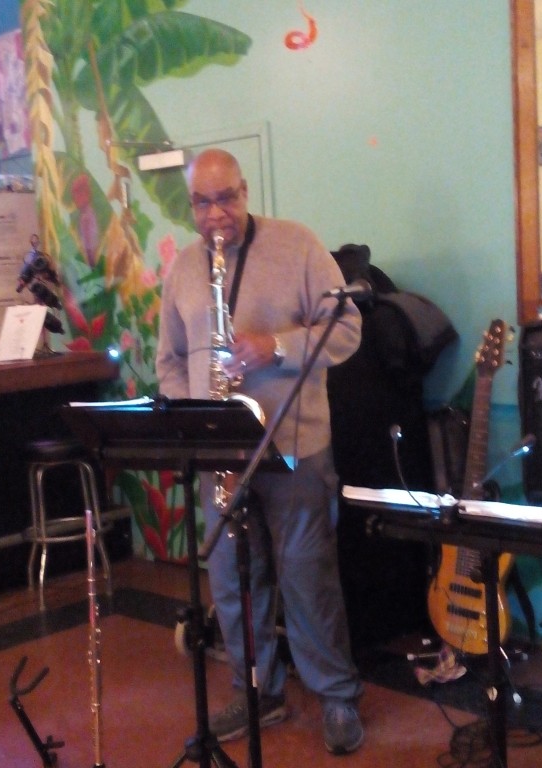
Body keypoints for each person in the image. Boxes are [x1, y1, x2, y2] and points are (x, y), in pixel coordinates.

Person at [156, 148, 365, 754]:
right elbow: (170, 359)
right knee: (231, 584)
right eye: (202, 203)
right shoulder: (184, 269)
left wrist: (276, 347)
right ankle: (257, 691)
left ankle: (337, 695)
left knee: (308, 579)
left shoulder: (297, 244)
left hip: (294, 447)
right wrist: (193, 416)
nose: (216, 214)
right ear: (191, 206)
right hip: (220, 456)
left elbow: (347, 328)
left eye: (226, 198)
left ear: (245, 191)